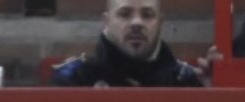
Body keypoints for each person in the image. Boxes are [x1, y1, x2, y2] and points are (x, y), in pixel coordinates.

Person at [51, 0, 202, 86]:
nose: (136, 22)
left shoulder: (184, 80)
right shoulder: (75, 78)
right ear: (107, 22)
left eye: (147, 15)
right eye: (125, 14)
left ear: (160, 23)